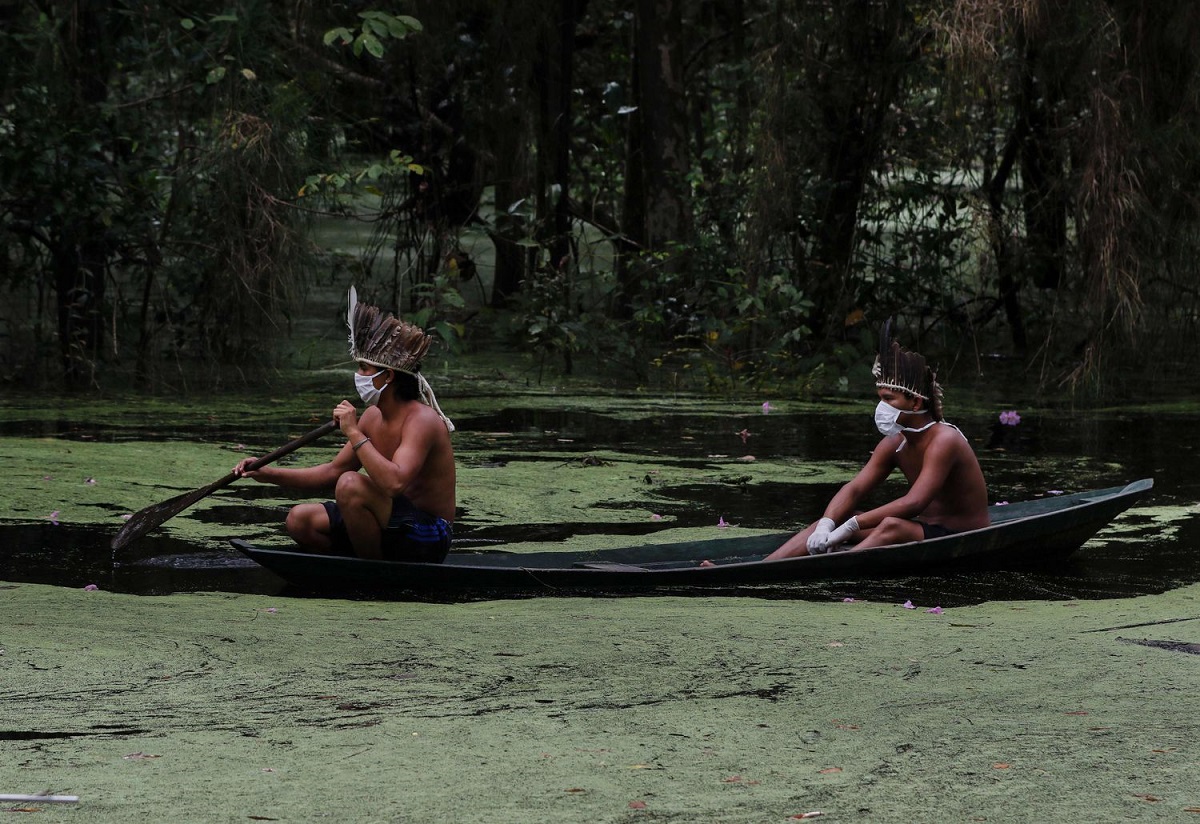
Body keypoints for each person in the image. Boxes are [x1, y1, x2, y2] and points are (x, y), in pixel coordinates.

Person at [233, 287, 456, 562]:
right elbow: (332, 470)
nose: (357, 375)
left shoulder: (421, 420)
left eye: (364, 368)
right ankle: (359, 560)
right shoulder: (373, 416)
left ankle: (373, 572)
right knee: (299, 520)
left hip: (428, 533)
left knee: (350, 484)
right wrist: (267, 473)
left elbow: (394, 483)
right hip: (389, 519)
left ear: (387, 377)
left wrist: (352, 431)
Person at [767, 319, 989, 560]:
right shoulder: (894, 443)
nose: (881, 407)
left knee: (891, 526)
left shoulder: (945, 439)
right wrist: (828, 524)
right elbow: (855, 488)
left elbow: (914, 502)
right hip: (923, 531)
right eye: (880, 398)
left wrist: (853, 524)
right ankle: (763, 567)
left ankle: (832, 569)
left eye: (889, 399)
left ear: (915, 402)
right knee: (830, 521)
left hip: (962, 534)